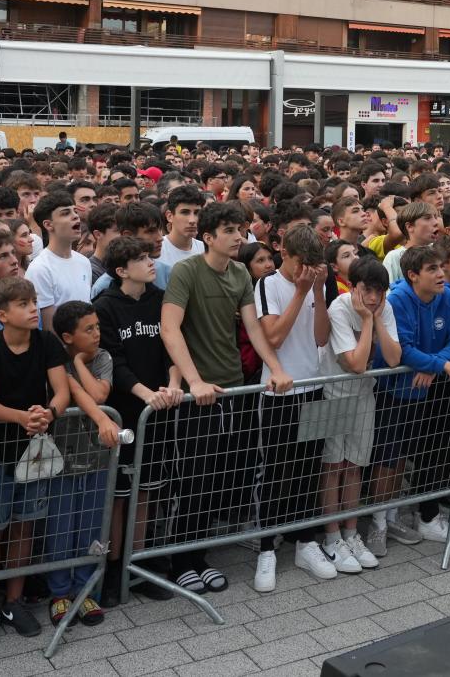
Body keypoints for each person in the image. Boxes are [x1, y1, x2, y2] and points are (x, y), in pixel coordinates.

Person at [159, 201, 292, 596]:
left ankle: (201, 557)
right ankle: (180, 562)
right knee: (193, 481)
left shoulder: (238, 273)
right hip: (199, 397)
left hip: (234, 389)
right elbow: (170, 329)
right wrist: (194, 381)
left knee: (221, 479)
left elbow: (253, 329)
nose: (240, 237)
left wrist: (276, 369)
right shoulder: (187, 271)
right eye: (231, 231)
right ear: (209, 236)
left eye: (241, 230)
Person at [0, 276, 69, 645]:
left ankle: (14, 600)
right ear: (1, 314)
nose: (33, 309)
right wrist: (20, 417)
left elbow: (61, 391)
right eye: (24, 304)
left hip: (35, 450)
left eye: (33, 302)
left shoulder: (45, 342)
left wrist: (48, 413)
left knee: (25, 525)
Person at [369, 244, 450, 549]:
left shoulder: (446, 297)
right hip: (393, 390)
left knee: (405, 456)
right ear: (413, 275)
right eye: (432, 269)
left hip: (426, 389)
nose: (441, 274)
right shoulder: (398, 299)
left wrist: (434, 364)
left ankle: (392, 517)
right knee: (388, 458)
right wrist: (441, 364)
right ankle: (376, 523)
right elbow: (403, 349)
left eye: (441, 267)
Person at [92, 236, 178, 606]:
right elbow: (115, 362)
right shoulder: (105, 307)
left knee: (146, 491)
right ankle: (113, 569)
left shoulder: (160, 300)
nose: (151, 262)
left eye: (150, 255)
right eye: (141, 258)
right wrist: (145, 394)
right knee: (119, 496)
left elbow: (172, 347)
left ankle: (136, 563)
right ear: (121, 270)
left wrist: (173, 385)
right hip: (125, 412)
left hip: (158, 411)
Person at [251, 226, 333, 591]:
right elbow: (274, 336)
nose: (308, 271)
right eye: (304, 265)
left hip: (313, 387)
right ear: (286, 256)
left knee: (308, 467)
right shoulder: (268, 285)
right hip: (279, 393)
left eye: (314, 266)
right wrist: (301, 292)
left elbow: (321, 337)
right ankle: (267, 547)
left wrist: (317, 289)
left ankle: (306, 541)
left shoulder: (317, 284)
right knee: (277, 470)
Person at [44, 300, 121, 627]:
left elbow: (100, 395)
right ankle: (59, 593)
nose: (96, 334)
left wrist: (76, 361)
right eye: (88, 330)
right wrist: (70, 363)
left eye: (98, 327)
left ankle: (85, 587)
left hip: (96, 459)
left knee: (91, 526)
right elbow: (74, 392)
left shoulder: (102, 358)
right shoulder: (52, 358)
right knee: (60, 528)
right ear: (67, 335)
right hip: (62, 460)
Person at [319, 255, 396, 569]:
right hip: (332, 395)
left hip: (365, 396)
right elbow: (355, 363)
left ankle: (351, 533)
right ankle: (331, 536)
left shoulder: (384, 309)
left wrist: (376, 319)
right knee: (332, 467)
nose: (374, 297)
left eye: (380, 290)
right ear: (353, 287)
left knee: (354, 466)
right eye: (367, 289)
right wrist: (366, 321)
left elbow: (392, 358)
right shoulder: (338, 308)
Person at [27, 193, 93, 327]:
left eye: (75, 211)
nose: (75, 216)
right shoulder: (40, 269)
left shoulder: (84, 262)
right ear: (48, 225)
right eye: (65, 213)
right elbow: (49, 327)